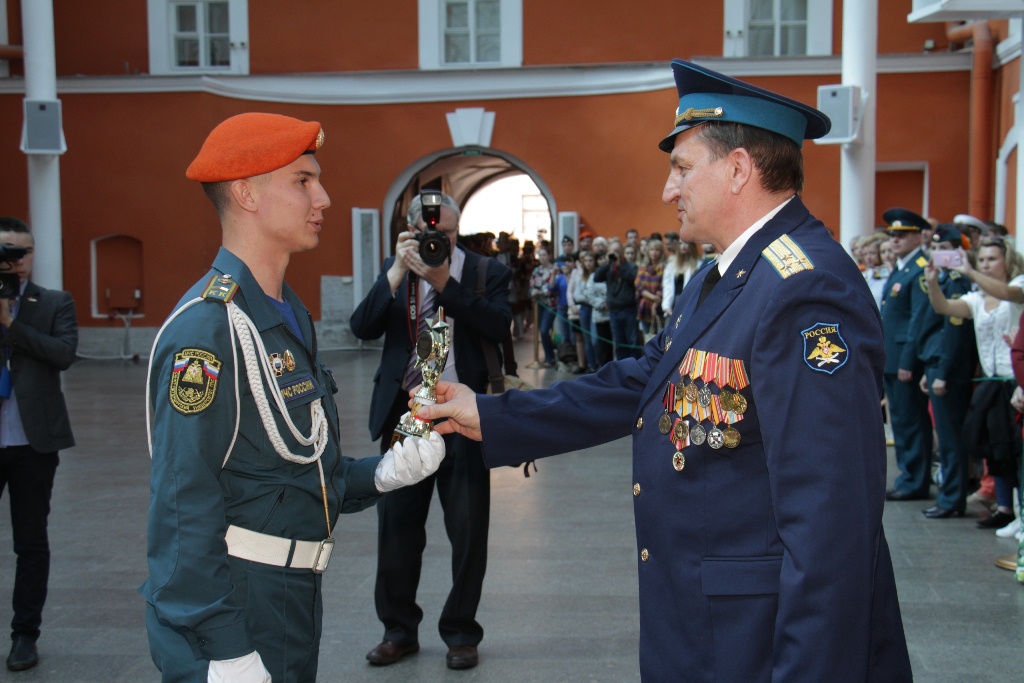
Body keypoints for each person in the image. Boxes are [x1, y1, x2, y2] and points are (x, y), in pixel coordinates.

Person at [415, 59, 912, 682]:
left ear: (738, 169)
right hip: (701, 623)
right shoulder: (721, 275)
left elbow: (830, 526)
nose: (667, 191)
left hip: (760, 643)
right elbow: (641, 381)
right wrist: (493, 414)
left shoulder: (804, 289)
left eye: (681, 168)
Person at [141, 113, 445, 683]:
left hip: (292, 595)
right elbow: (182, 505)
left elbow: (294, 467)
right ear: (245, 193)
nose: (322, 197)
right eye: (303, 181)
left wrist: (382, 473)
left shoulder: (285, 313)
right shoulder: (207, 331)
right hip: (237, 603)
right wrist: (224, 647)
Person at [349, 192, 512, 671]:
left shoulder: (485, 271)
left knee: (468, 531)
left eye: (447, 233)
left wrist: (446, 285)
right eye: (427, 232)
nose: (437, 240)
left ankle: (461, 633)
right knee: (396, 531)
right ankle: (398, 631)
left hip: (463, 416)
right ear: (411, 231)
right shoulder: (396, 269)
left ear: (458, 231)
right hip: (406, 418)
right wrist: (396, 272)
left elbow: (499, 326)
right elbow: (362, 327)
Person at [0, 217, 77, 672]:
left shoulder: (53, 302)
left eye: (22, 252)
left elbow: (64, 354)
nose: (15, 260)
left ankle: (24, 634)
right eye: (6, 251)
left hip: (33, 443)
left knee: (30, 542)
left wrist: (10, 323)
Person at [925, 235, 1024, 529]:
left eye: (992, 259)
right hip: (992, 381)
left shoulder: (1018, 284)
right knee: (995, 447)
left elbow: (1007, 293)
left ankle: (1020, 512)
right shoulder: (977, 298)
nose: (985, 264)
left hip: (1016, 379)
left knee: (1018, 450)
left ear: (1007, 261)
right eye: (981, 260)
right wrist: (932, 283)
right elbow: (944, 307)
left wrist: (970, 271)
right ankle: (1005, 509)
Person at [916, 226, 976, 518]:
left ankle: (952, 498)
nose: (938, 253)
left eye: (945, 249)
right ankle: (949, 495)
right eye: (936, 248)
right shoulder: (940, 278)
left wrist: (942, 371)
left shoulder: (956, 281)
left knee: (951, 438)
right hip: (937, 363)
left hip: (949, 367)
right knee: (946, 434)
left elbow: (954, 332)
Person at [880, 208, 934, 502]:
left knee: (912, 423)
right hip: (894, 357)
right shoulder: (902, 268)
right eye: (893, 235)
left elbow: (918, 320)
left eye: (902, 235)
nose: (895, 240)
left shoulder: (919, 268)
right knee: (900, 422)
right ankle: (908, 476)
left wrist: (907, 361)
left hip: (905, 359)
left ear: (918, 237)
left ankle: (915, 481)